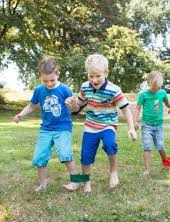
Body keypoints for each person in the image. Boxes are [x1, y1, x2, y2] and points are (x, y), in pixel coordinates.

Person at [64, 54, 137, 192]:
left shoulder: (114, 90)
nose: (94, 80)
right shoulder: (85, 87)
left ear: (106, 72)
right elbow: (78, 106)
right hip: (91, 125)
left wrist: (131, 128)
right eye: (91, 76)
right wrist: (71, 104)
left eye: (97, 76)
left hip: (108, 124)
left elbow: (126, 110)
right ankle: (85, 182)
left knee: (110, 145)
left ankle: (113, 173)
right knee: (86, 155)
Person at [13, 58, 87, 192]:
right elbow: (31, 106)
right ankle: (43, 184)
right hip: (46, 129)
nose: (49, 84)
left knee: (65, 153)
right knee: (39, 156)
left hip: (63, 127)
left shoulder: (65, 89)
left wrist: (73, 105)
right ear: (41, 77)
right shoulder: (39, 90)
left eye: (52, 80)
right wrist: (20, 115)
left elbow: (75, 109)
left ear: (57, 74)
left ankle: (76, 182)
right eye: (45, 81)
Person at [133, 71, 170, 175]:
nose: (156, 90)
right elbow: (138, 108)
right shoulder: (143, 94)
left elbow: (167, 103)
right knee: (147, 146)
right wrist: (134, 121)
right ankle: (147, 169)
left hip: (159, 125)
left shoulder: (162, 93)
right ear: (148, 84)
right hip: (146, 125)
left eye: (158, 87)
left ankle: (165, 161)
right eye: (153, 88)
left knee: (160, 146)